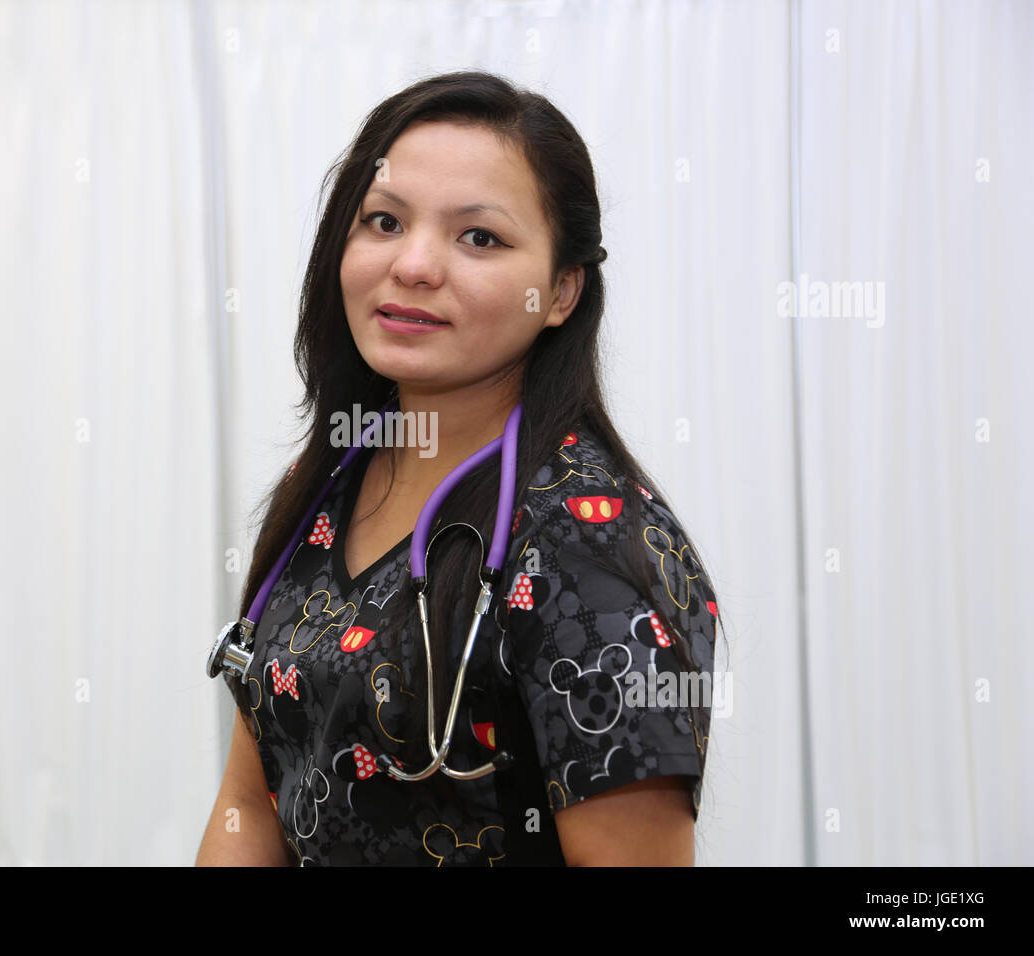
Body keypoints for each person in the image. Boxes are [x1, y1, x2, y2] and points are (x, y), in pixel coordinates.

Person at [196, 70, 723, 866]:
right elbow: (250, 803)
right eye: (384, 221)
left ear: (561, 291)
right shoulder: (326, 489)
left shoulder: (590, 544)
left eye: (479, 237)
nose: (414, 264)